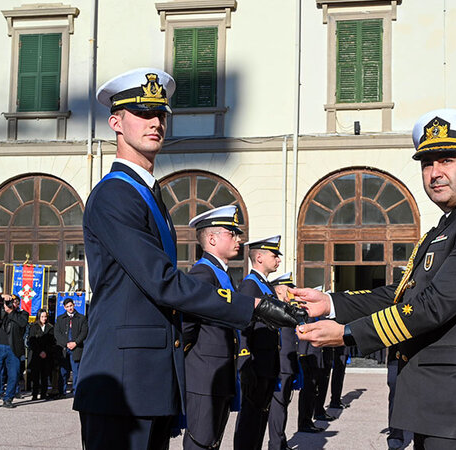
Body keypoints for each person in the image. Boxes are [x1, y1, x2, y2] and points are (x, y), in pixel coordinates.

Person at [73, 68, 303, 449]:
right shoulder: (116, 194)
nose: (156, 123)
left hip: (147, 378)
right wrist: (254, 306)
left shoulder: (146, 192)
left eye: (161, 115)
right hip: (123, 382)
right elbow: (161, 280)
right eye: (143, 114)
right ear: (116, 122)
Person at [292, 109, 456, 448]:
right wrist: (331, 303)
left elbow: (433, 306)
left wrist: (347, 335)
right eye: (427, 164)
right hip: (434, 404)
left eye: (446, 161)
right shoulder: (445, 229)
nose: (434, 174)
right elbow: (402, 295)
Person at [182, 206, 244, 450]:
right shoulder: (202, 274)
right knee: (201, 444)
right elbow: (187, 327)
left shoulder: (220, 274)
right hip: (204, 378)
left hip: (218, 376)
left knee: (212, 443)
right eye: (232, 233)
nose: (238, 239)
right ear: (212, 238)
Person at [234, 235, 286, 450]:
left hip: (267, 363)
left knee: (259, 421)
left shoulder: (266, 286)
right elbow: (243, 326)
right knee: (250, 421)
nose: (278, 260)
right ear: (259, 257)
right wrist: (244, 361)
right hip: (256, 363)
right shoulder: (249, 285)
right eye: (274, 255)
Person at [267, 272, 303, 450]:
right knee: (278, 407)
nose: (292, 293)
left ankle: (280, 441)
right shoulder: (275, 308)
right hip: (281, 365)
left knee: (283, 406)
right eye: (290, 290)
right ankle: (275, 444)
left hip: (289, 364)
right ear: (280, 290)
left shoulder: (286, 307)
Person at [0, 293, 28, 408]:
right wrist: (0, 297)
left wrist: (11, 312)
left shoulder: (22, 314)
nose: (11, 304)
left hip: (13, 348)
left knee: (13, 374)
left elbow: (23, 323)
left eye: (14, 302)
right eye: (10, 302)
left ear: (18, 304)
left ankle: (8, 398)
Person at [55, 296, 87, 396]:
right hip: (64, 348)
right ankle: (62, 391)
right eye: (68, 306)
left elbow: (84, 332)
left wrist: (75, 343)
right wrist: (66, 343)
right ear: (64, 307)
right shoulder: (60, 318)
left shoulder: (81, 318)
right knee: (63, 371)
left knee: (76, 371)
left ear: (74, 305)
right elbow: (57, 333)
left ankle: (76, 391)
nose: (70, 308)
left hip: (76, 348)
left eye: (71, 306)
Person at [28, 308, 55, 401]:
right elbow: (32, 341)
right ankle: (34, 394)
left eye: (45, 317)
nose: (44, 318)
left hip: (46, 355)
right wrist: (39, 351)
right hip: (36, 354)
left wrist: (45, 352)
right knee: (35, 375)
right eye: (42, 317)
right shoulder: (34, 327)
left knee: (45, 375)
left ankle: (44, 393)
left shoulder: (50, 327)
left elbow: (52, 342)